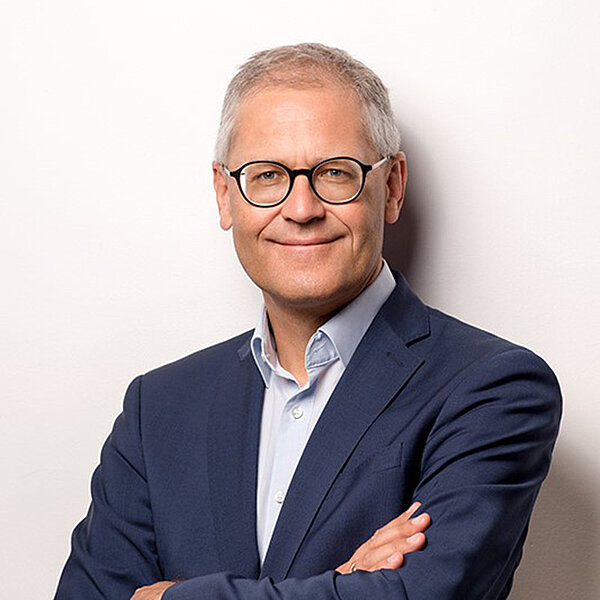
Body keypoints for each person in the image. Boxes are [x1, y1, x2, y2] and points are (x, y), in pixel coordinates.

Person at [54, 43, 562, 600]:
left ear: (392, 187)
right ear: (225, 195)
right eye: (268, 175)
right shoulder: (158, 408)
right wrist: (343, 586)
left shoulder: (493, 387)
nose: (301, 210)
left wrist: (169, 597)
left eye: (335, 173)